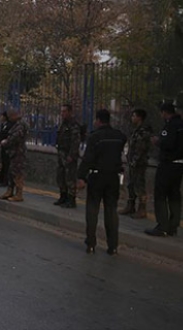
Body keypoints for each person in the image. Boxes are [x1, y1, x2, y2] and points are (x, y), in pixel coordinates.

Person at [77, 109, 127, 255]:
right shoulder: (119, 136)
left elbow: (88, 158)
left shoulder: (95, 137)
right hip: (113, 177)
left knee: (92, 210)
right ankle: (113, 245)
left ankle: (91, 243)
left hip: (96, 176)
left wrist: (81, 177)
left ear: (98, 120)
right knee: (111, 210)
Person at [145, 103, 183, 237]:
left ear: (165, 112)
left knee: (160, 195)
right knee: (174, 195)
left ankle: (162, 226)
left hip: (168, 164)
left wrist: (157, 141)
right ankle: (173, 225)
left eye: (162, 113)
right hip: (180, 164)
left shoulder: (170, 125)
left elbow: (167, 143)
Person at [119, 109, 152, 219]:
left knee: (139, 186)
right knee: (131, 185)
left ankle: (142, 209)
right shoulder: (136, 130)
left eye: (134, 116)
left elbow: (140, 149)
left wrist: (134, 161)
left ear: (139, 117)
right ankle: (130, 205)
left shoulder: (143, 131)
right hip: (132, 161)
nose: (132, 118)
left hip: (139, 163)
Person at [54, 104, 82, 208]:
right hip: (61, 153)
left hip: (68, 154)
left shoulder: (73, 125)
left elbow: (76, 142)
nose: (62, 114)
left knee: (70, 177)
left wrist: (72, 155)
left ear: (70, 112)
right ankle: (63, 196)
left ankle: (71, 199)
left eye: (64, 111)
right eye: (61, 111)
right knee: (60, 176)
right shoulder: (63, 124)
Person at [0, 109, 30, 202]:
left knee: (17, 173)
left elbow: (16, 137)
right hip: (13, 152)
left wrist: (6, 142)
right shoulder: (16, 124)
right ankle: (10, 191)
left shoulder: (20, 125)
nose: (9, 118)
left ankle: (19, 194)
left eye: (10, 116)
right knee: (11, 172)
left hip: (18, 153)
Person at [0, 111, 13, 187]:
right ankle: (0, 180)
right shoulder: (3, 125)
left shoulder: (9, 125)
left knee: (6, 164)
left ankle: (5, 181)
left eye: (1, 116)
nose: (0, 117)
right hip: (2, 146)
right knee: (3, 164)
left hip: (7, 147)